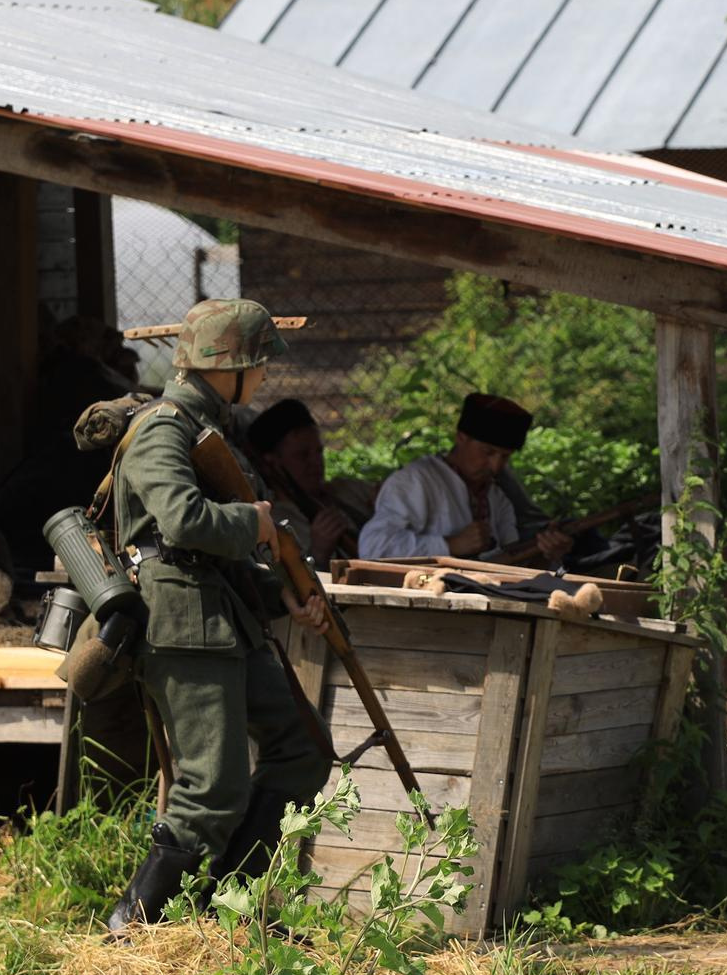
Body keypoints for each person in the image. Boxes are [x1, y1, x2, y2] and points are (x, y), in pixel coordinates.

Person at [105, 299, 335, 933]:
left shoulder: (208, 429)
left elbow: (213, 551)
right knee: (212, 788)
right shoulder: (163, 429)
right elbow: (180, 523)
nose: (264, 377)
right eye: (257, 365)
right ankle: (133, 925)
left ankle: (226, 913)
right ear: (228, 367)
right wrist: (254, 521)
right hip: (182, 624)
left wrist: (280, 594)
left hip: (226, 617)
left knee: (305, 748)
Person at [359, 393, 572, 564]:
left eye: (505, 457)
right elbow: (373, 547)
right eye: (488, 452)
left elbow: (508, 562)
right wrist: (450, 545)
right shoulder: (416, 481)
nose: (496, 466)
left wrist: (548, 553)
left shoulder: (496, 497)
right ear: (461, 438)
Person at [246, 397, 379, 568]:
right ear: (272, 463)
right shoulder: (274, 520)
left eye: (318, 452)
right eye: (302, 455)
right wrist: (318, 552)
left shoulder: (345, 490)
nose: (317, 462)